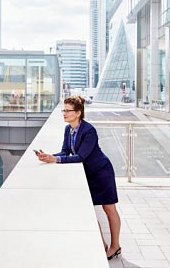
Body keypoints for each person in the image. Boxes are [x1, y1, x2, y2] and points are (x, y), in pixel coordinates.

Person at [36, 96, 122, 260]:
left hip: (101, 172)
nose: (64, 113)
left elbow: (81, 156)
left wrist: (56, 160)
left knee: (109, 209)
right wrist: (49, 156)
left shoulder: (89, 130)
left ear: (78, 113)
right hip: (88, 173)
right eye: (64, 110)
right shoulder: (68, 129)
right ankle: (102, 245)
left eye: (67, 111)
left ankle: (115, 246)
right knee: (90, 210)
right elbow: (65, 152)